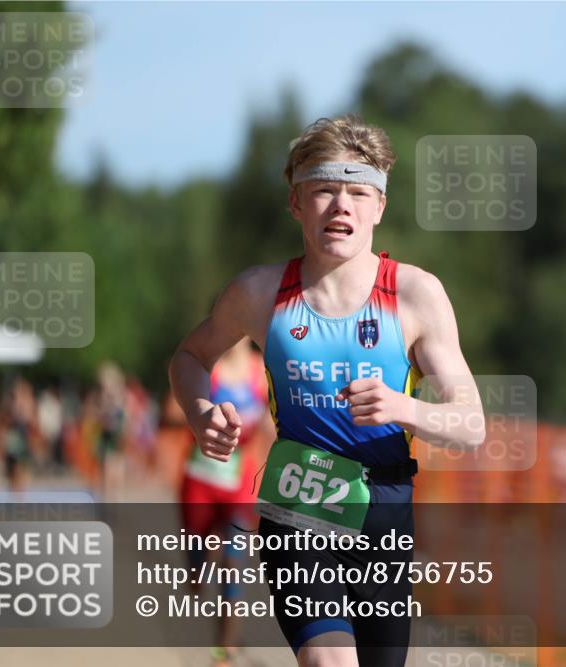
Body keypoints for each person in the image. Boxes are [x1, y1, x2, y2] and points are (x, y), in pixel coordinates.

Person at [169, 114, 485, 667]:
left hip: (386, 510)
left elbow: (472, 423)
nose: (342, 206)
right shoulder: (259, 292)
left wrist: (406, 407)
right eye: (324, 191)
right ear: (296, 204)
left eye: (358, 193)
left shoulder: (415, 294)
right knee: (330, 663)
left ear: (379, 207)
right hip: (300, 503)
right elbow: (189, 358)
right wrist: (200, 415)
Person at [178, 336, 272, 667]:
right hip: (201, 480)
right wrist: (201, 418)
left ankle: (224, 652)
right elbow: (173, 407)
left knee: (234, 563)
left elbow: (275, 418)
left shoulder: (261, 368)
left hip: (238, 481)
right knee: (199, 572)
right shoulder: (207, 361)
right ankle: (198, 565)